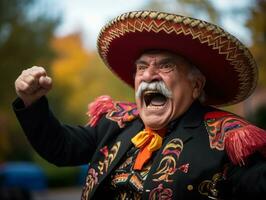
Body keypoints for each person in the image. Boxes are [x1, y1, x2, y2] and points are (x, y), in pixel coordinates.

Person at [13, 10, 266, 200]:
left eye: (165, 66)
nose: (148, 75)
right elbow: (60, 147)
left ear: (196, 85)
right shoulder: (116, 122)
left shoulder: (228, 140)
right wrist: (32, 101)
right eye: (142, 67)